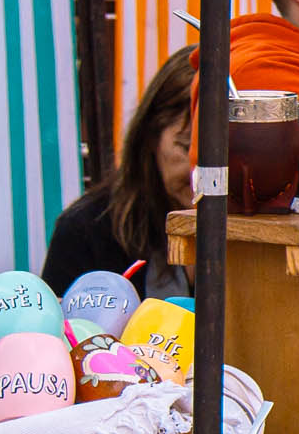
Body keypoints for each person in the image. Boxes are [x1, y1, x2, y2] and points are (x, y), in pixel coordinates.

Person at [42, 46, 199, 291]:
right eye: (187, 147)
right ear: (150, 136)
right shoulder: (86, 233)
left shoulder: (258, 239)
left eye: (227, 154)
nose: (202, 173)